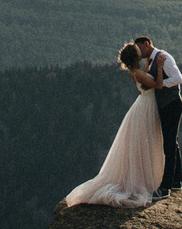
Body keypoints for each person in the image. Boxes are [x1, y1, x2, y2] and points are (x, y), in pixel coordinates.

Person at [60, 43, 166, 208]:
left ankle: (147, 180)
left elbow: (142, 88)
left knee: (143, 144)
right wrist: (159, 66)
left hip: (143, 103)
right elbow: (158, 85)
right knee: (147, 143)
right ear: (136, 57)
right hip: (147, 107)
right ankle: (147, 181)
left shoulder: (135, 71)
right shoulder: (138, 72)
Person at [132, 34, 182, 193]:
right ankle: (176, 180)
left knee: (169, 144)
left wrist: (160, 85)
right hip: (165, 105)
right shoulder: (151, 61)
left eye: (139, 48)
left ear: (147, 44)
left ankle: (165, 187)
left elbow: (178, 78)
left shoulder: (164, 58)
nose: (139, 53)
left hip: (172, 104)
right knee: (171, 142)